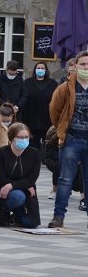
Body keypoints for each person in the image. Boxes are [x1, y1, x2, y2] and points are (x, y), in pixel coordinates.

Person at [48, 50, 88, 228]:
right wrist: (62, 129)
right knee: (65, 179)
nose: (86, 68)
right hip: (72, 139)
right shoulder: (65, 88)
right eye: (83, 65)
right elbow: (54, 110)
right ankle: (58, 217)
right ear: (75, 66)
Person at [0, 123, 41, 228]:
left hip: (24, 190)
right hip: (2, 190)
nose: (24, 140)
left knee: (30, 224)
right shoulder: (1, 152)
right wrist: (21, 185)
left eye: (26, 137)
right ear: (12, 138)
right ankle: (6, 211)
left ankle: (18, 212)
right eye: (20, 137)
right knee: (17, 196)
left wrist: (10, 186)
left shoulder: (34, 153)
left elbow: (32, 178)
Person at [44, 124, 84, 205]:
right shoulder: (54, 132)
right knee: (61, 164)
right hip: (55, 158)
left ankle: (83, 197)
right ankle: (55, 190)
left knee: (82, 167)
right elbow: (51, 152)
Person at [22, 61, 56, 150]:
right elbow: (24, 97)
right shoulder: (27, 82)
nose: (40, 70)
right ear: (34, 70)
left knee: (49, 144)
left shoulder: (52, 83)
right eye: (38, 68)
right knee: (32, 145)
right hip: (31, 119)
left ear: (46, 70)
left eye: (42, 68)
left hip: (47, 119)